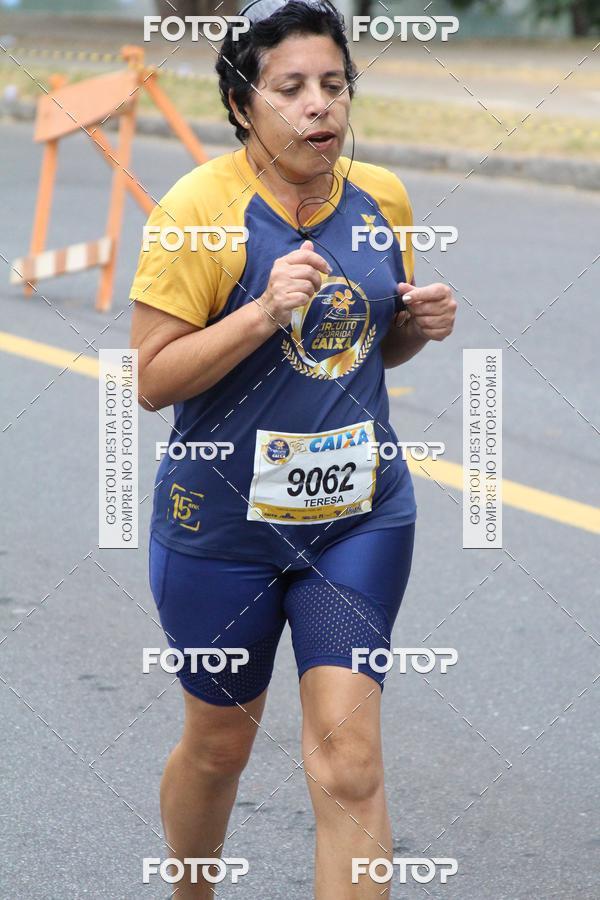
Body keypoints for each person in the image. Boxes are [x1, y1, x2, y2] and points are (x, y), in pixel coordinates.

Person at [129, 1, 457, 896]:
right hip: (222, 528)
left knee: (349, 761)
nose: (320, 105)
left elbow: (360, 344)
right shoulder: (198, 212)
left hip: (356, 520)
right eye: (291, 89)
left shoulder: (381, 197)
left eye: (334, 85)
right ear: (243, 105)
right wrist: (262, 311)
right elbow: (150, 380)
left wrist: (416, 325)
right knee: (219, 745)